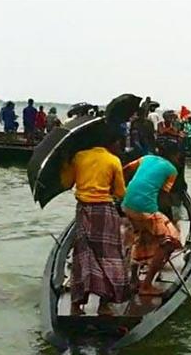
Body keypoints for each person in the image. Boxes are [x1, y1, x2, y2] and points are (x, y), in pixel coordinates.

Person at [60, 133, 129, 315]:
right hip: (105, 211)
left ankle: (76, 305)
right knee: (109, 256)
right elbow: (121, 193)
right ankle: (104, 305)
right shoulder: (113, 160)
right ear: (112, 142)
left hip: (83, 211)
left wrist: (66, 164)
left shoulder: (79, 157)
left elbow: (67, 183)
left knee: (83, 256)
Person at [122, 139, 182, 296]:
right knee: (170, 241)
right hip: (145, 208)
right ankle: (146, 285)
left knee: (140, 237)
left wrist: (128, 188)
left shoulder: (146, 158)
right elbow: (163, 198)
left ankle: (134, 280)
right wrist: (170, 219)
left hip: (126, 203)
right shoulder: (171, 169)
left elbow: (125, 169)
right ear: (174, 154)